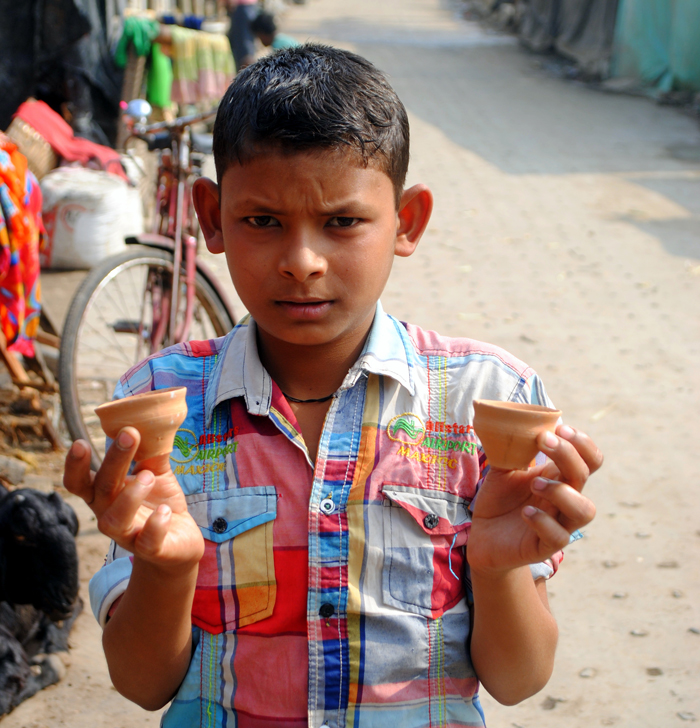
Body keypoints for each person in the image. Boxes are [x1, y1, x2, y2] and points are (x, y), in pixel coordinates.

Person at [64, 44, 602, 727]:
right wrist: (167, 569)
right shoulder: (163, 408)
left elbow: (519, 679)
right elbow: (143, 684)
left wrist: (494, 566)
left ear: (407, 223)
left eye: (343, 222)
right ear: (211, 215)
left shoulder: (484, 404)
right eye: (263, 221)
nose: (302, 263)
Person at [225, 0, 259, 71]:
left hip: (242, 6)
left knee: (243, 49)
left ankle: (246, 77)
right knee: (247, 43)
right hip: (250, 5)